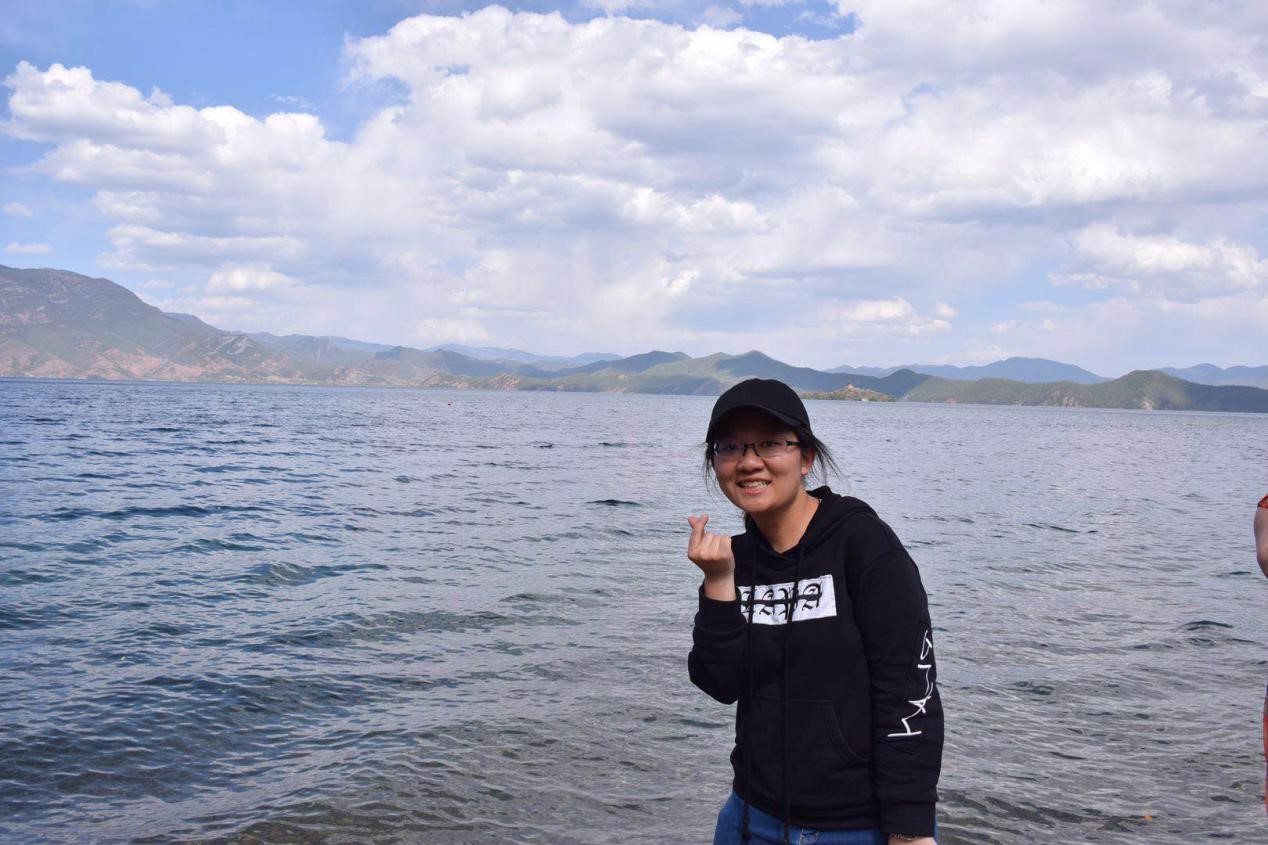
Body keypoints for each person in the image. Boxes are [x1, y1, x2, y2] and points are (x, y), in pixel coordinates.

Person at [687, 378, 942, 845]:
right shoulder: (735, 560)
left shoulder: (863, 544)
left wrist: (909, 828)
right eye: (730, 447)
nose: (749, 461)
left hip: (857, 826)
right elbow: (721, 684)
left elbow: (909, 690)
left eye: (770, 443)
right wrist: (719, 583)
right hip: (749, 817)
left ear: (805, 457)